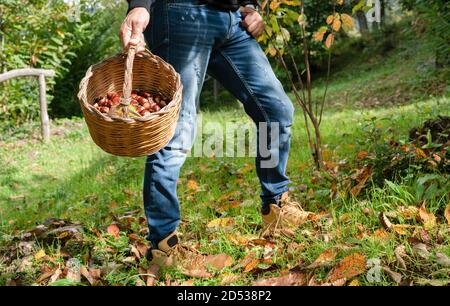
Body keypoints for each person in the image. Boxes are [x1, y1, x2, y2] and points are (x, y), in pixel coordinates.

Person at [120, 0, 306, 267]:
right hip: (180, 11)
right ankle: (164, 248)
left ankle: (276, 206)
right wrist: (139, 5)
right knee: (177, 130)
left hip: (232, 19)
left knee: (275, 110)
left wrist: (250, 6)